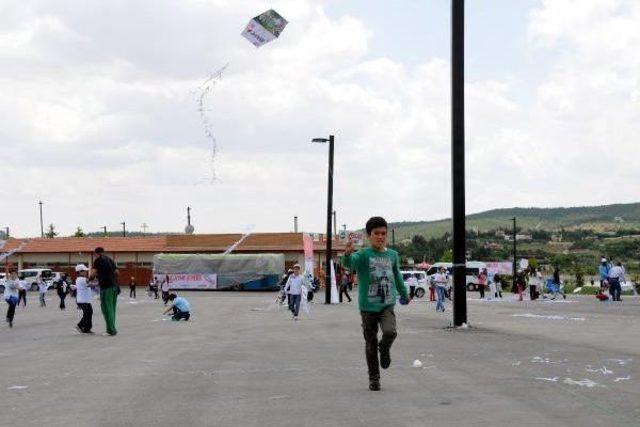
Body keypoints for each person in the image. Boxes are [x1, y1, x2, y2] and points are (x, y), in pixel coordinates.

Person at [341, 216, 410, 391]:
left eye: (383, 233)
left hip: (387, 303)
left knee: (390, 332)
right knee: (370, 343)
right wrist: (347, 253)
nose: (380, 236)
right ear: (369, 235)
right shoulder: (364, 255)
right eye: (376, 233)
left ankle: (385, 349)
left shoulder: (393, 255)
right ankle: (374, 378)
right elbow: (349, 264)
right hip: (367, 307)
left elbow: (397, 276)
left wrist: (404, 293)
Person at [90, 247, 119, 336]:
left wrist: (89, 279)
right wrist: (113, 279)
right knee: (112, 309)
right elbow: (117, 272)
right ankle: (113, 328)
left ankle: (110, 330)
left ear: (96, 253)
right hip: (114, 287)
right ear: (103, 252)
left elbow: (93, 273)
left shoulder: (98, 260)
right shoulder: (110, 260)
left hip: (106, 287)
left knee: (106, 309)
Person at [73, 264, 97, 333]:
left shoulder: (79, 279)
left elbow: (89, 284)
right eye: (84, 271)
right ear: (80, 272)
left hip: (84, 300)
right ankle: (80, 326)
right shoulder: (81, 279)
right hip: (83, 301)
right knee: (88, 313)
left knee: (88, 313)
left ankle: (86, 328)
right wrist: (98, 282)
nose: (86, 272)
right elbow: (90, 283)